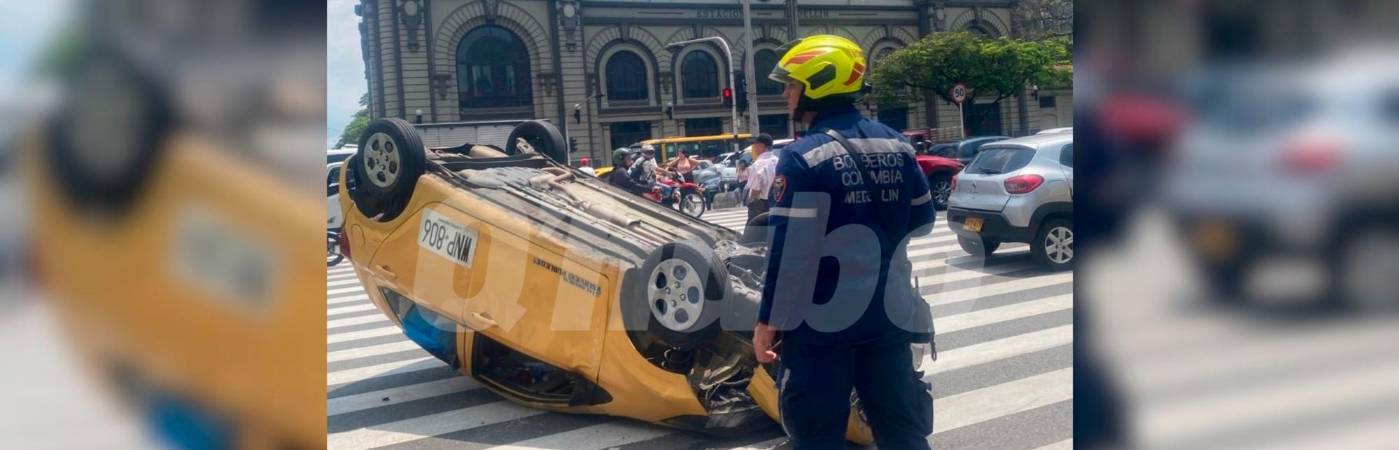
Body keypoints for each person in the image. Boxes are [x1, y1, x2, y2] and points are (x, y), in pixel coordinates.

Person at [752, 35, 936, 450]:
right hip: (889, 313)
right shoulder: (897, 143)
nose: (786, 94)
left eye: (792, 84)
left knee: (817, 434)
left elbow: (791, 255)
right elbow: (922, 219)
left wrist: (768, 323)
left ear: (817, 86)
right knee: (902, 428)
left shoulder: (802, 157)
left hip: (822, 325)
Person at [744, 134, 777, 224]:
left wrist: (751, 200)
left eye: (755, 145)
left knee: (754, 233)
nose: (754, 148)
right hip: (777, 202)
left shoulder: (758, 165)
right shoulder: (779, 161)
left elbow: (755, 190)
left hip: (762, 204)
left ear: (761, 146)